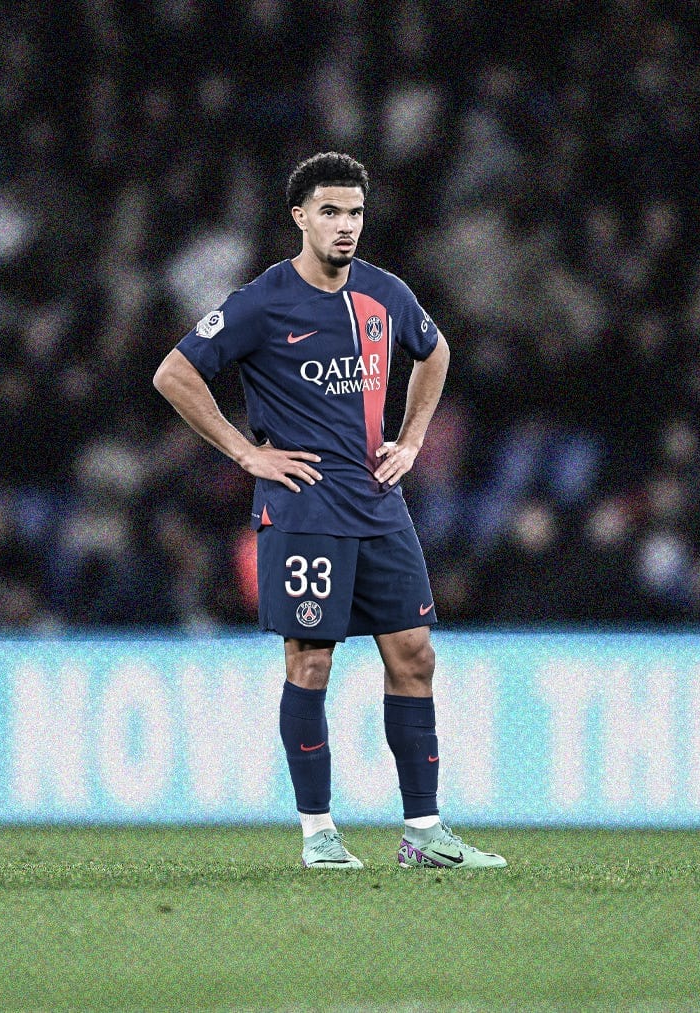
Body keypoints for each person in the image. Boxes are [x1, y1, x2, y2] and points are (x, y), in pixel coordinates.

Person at [153, 152, 504, 871]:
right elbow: (175, 372)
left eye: (355, 213)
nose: (346, 227)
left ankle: (424, 833)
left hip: (378, 503)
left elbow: (434, 355)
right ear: (300, 218)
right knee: (310, 662)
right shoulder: (262, 302)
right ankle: (318, 831)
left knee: (415, 655)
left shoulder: (386, 295)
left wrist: (410, 438)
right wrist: (245, 453)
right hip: (304, 508)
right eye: (331, 213)